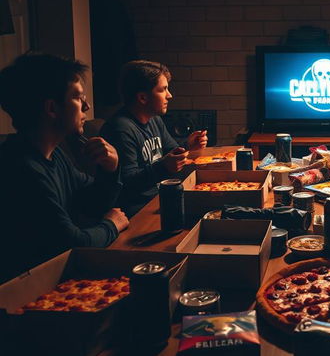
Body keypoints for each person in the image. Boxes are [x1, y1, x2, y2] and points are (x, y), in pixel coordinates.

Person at [0, 53, 128, 283]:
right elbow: (71, 243)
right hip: (27, 295)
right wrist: (112, 225)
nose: (87, 106)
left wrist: (110, 170)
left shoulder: (54, 153)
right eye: (78, 98)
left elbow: (91, 203)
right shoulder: (22, 169)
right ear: (52, 108)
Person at [101, 60, 207, 216]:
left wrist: (188, 146)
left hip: (158, 199)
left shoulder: (153, 119)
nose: (169, 96)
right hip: (136, 212)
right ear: (143, 97)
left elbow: (171, 151)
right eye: (163, 90)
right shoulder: (120, 129)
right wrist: (164, 167)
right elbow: (126, 184)